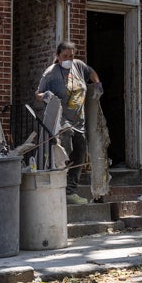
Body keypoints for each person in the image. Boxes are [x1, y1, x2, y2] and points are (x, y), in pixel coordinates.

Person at [35, 40, 102, 204]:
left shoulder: (78, 66)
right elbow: (38, 93)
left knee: (78, 158)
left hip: (80, 123)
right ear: (57, 56)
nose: (68, 59)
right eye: (65, 56)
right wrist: (45, 97)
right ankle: (57, 190)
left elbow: (91, 72)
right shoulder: (50, 73)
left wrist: (97, 83)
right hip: (61, 122)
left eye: (71, 56)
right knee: (65, 153)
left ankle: (70, 192)